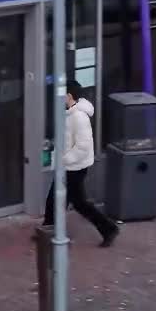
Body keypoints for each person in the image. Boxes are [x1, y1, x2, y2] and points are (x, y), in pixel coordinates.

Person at [41, 80, 119, 247]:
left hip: (75, 168)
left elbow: (83, 147)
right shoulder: (68, 113)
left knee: (79, 203)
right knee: (54, 198)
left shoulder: (79, 117)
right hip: (67, 166)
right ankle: (47, 230)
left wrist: (64, 160)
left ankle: (109, 229)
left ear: (69, 96)